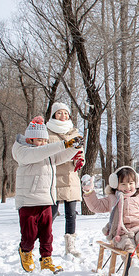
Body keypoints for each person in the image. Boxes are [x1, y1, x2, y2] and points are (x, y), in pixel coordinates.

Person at [13, 116, 83, 274]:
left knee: (47, 234)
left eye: (45, 140)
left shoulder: (47, 151)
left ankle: (46, 259)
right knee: (29, 235)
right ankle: (25, 251)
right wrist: (64, 144)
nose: (43, 143)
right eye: (39, 140)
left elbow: (61, 156)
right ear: (30, 139)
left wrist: (75, 148)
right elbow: (40, 153)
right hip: (28, 201)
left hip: (46, 198)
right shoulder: (22, 151)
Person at [81, 166, 139, 276]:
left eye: (131, 183)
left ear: (136, 182)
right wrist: (88, 192)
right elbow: (96, 206)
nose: (128, 187)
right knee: (127, 244)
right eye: (123, 184)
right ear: (115, 184)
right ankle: (132, 266)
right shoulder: (112, 198)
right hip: (121, 231)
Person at [46, 102, 84, 257]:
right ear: (54, 114)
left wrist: (79, 160)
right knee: (51, 214)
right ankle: (45, 244)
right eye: (60, 113)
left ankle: (71, 247)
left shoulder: (74, 132)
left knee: (71, 214)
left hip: (70, 176)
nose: (63, 116)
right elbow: (44, 152)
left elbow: (81, 152)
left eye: (66, 113)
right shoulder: (47, 133)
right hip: (53, 177)